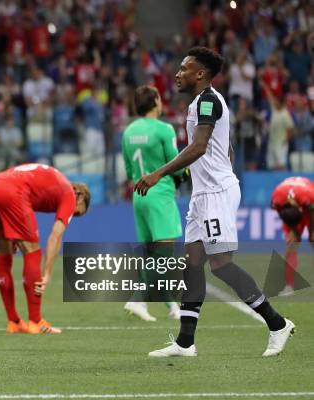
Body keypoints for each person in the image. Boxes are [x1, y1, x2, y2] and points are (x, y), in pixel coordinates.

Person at [135, 47, 294, 358]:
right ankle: (185, 343)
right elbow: (225, 146)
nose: (178, 73)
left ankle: (277, 324)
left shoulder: (207, 100)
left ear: (201, 74)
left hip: (216, 193)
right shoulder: (202, 103)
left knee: (221, 264)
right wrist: (221, 168)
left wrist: (159, 173)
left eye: (185, 68)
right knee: (193, 264)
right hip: (204, 193)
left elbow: (199, 146)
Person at [0, 163, 90, 334]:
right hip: (11, 192)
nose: (73, 216)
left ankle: (14, 322)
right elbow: (55, 236)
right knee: (32, 252)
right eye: (77, 213)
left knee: (3, 255)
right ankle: (36, 321)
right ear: (81, 198)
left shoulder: (54, 179)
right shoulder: (70, 194)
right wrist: (47, 274)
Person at [121, 85, 182, 322]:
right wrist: (184, 177)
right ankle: (138, 299)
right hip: (160, 193)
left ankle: (171, 305)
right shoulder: (164, 129)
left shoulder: (128, 132)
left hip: (139, 195)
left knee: (153, 255)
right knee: (164, 254)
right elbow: (176, 163)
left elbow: (128, 169)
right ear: (156, 100)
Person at [270, 177, 314, 296]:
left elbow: (312, 213)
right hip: (290, 208)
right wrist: (293, 231)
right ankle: (289, 286)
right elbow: (281, 213)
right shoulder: (277, 201)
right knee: (292, 245)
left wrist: (311, 232)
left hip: (311, 208)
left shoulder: (309, 198)